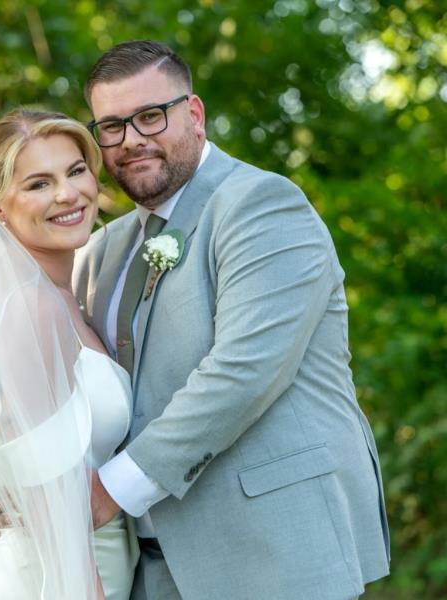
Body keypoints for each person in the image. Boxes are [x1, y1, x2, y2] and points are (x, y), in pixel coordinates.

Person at [71, 40, 390, 599]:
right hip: (144, 568)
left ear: (193, 114)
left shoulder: (262, 205)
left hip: (272, 556)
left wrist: (108, 491)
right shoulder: (102, 251)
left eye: (150, 116)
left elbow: (244, 371)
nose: (132, 140)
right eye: (112, 126)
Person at [0, 109, 139, 600]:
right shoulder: (29, 306)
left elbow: (14, 439)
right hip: (54, 579)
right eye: (38, 184)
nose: (66, 194)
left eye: (75, 171)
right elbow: (52, 499)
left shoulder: (56, 294)